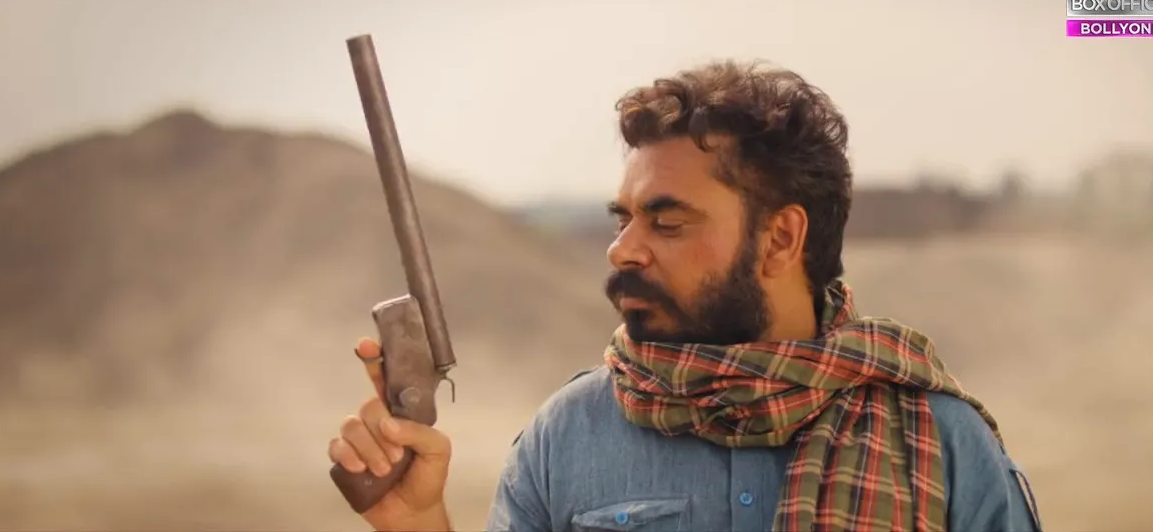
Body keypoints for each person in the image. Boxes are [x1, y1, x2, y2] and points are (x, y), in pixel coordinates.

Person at [327, 60, 1043, 532]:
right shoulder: (567, 437)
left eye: (666, 222)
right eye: (624, 219)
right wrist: (416, 523)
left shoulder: (942, 445)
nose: (623, 250)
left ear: (780, 239)